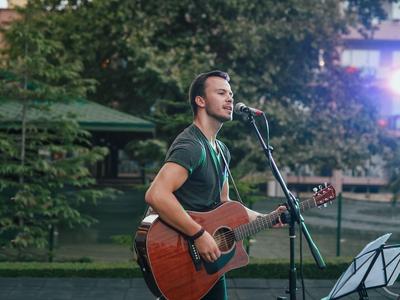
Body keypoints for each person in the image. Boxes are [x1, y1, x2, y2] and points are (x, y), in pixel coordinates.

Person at [145, 70, 286, 299]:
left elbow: (224, 204)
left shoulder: (222, 150)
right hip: (181, 250)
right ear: (200, 101)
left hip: (209, 258)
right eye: (221, 93)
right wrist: (199, 235)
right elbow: (156, 195)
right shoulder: (192, 146)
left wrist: (267, 218)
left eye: (230, 93)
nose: (230, 99)